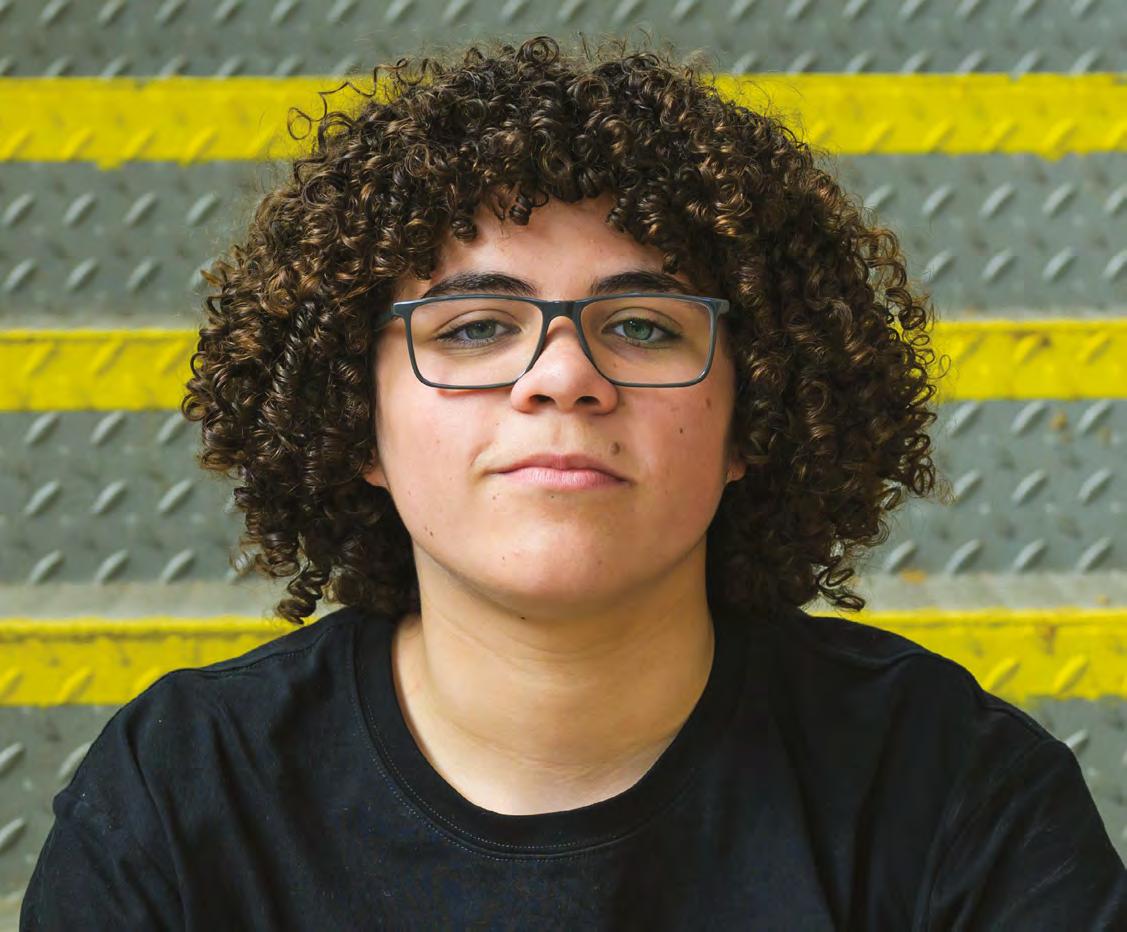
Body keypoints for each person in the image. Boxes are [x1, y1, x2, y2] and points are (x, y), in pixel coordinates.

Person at [21, 33, 1126, 930]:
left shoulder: (953, 789)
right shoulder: (180, 793)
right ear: (357, 419)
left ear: (754, 415)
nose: (561, 376)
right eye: (473, 327)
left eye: (642, 325)